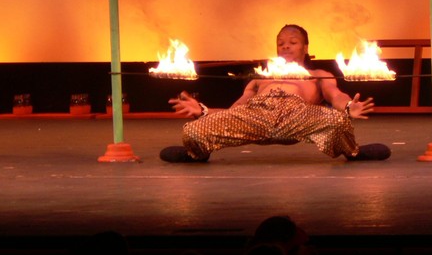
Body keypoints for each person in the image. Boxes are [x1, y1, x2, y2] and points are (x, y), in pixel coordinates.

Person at [159, 24, 391, 163]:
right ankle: (196, 154)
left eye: (293, 42)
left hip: (297, 116)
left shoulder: (318, 73)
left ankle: (353, 152)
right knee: (193, 131)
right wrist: (204, 110)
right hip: (255, 115)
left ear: (305, 47)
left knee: (338, 121)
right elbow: (236, 110)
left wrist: (349, 107)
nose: (286, 46)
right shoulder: (262, 78)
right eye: (281, 43)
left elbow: (336, 95)